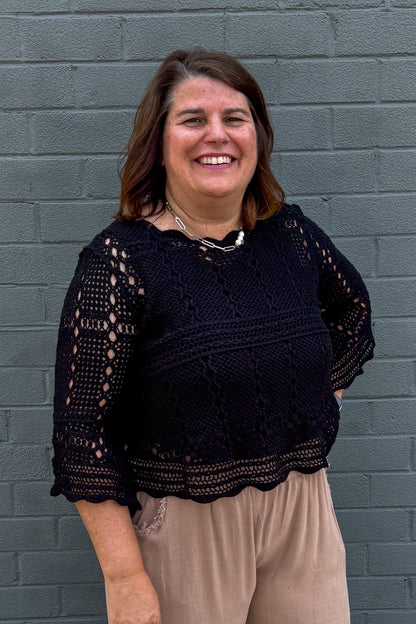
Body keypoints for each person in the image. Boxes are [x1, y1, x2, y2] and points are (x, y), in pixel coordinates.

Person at [51, 49, 375, 624]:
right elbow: (82, 429)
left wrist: (319, 400)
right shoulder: (120, 262)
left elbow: (353, 315)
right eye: (193, 119)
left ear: (258, 135)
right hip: (187, 526)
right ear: (160, 141)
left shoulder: (292, 237)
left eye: (235, 117)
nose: (216, 135)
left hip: (303, 513)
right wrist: (124, 578)